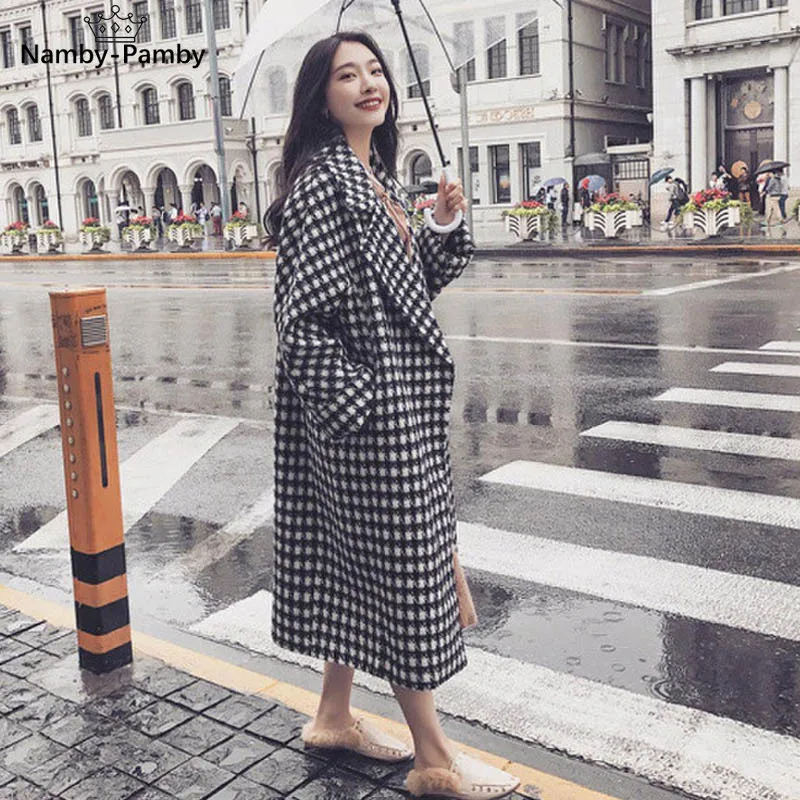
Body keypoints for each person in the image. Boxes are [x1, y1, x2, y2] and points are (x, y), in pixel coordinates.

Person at [265, 31, 520, 800]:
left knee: (357, 568)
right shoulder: (323, 184)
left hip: (392, 413)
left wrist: (438, 224)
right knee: (405, 574)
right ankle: (434, 759)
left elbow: (404, 296)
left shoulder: (372, 176)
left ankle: (332, 715)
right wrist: (367, 410)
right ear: (321, 97)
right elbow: (301, 325)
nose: (368, 83)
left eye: (375, 70)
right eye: (347, 75)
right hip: (370, 424)